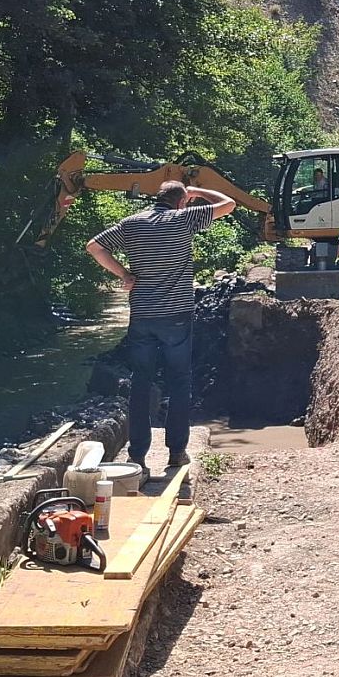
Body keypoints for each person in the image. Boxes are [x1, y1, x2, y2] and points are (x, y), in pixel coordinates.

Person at [82, 179, 235, 473]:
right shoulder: (184, 218)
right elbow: (229, 204)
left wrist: (124, 274)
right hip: (177, 315)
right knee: (179, 381)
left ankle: (137, 455)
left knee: (141, 382)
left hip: (142, 315)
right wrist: (198, 191)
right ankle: (176, 452)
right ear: (182, 201)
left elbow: (94, 247)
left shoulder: (131, 223)